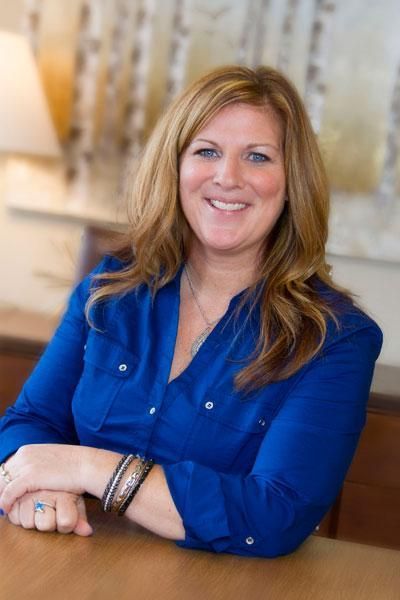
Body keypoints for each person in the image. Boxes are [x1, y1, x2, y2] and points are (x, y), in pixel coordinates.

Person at [0, 65, 382, 557]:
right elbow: (28, 421)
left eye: (258, 157)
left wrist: (86, 468)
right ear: (175, 167)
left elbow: (275, 515)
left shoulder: (335, 339)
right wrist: (41, 489)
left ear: (292, 183)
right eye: (207, 151)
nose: (228, 178)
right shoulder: (111, 288)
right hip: (78, 560)